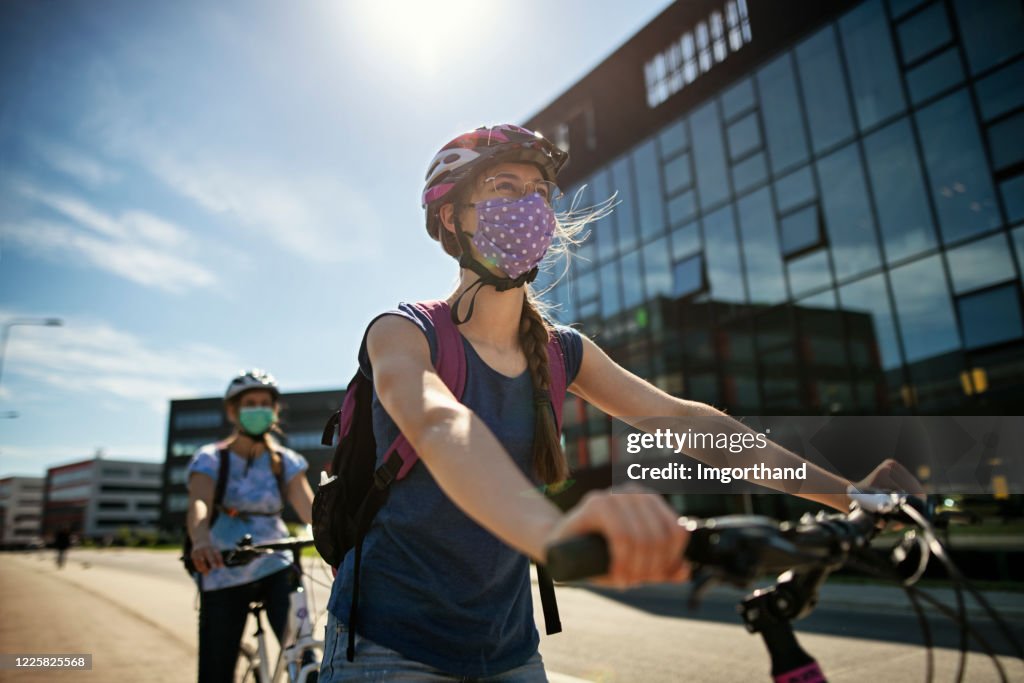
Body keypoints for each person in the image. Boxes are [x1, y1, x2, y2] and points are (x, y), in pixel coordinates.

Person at [320, 124, 915, 682]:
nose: (529, 206)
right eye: (504, 187)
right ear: (450, 215)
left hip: (506, 649)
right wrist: (552, 535)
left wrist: (851, 494)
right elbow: (438, 421)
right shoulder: (404, 331)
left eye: (538, 193)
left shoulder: (561, 352)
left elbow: (685, 422)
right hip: (387, 643)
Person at [186, 369, 315, 683]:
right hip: (223, 567)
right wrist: (201, 539)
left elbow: (312, 511)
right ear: (233, 411)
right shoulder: (211, 459)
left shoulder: (286, 461)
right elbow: (199, 504)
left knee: (305, 657)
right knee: (216, 670)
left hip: (276, 565)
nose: (258, 409)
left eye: (264, 403)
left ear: (274, 410)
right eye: (250, 403)